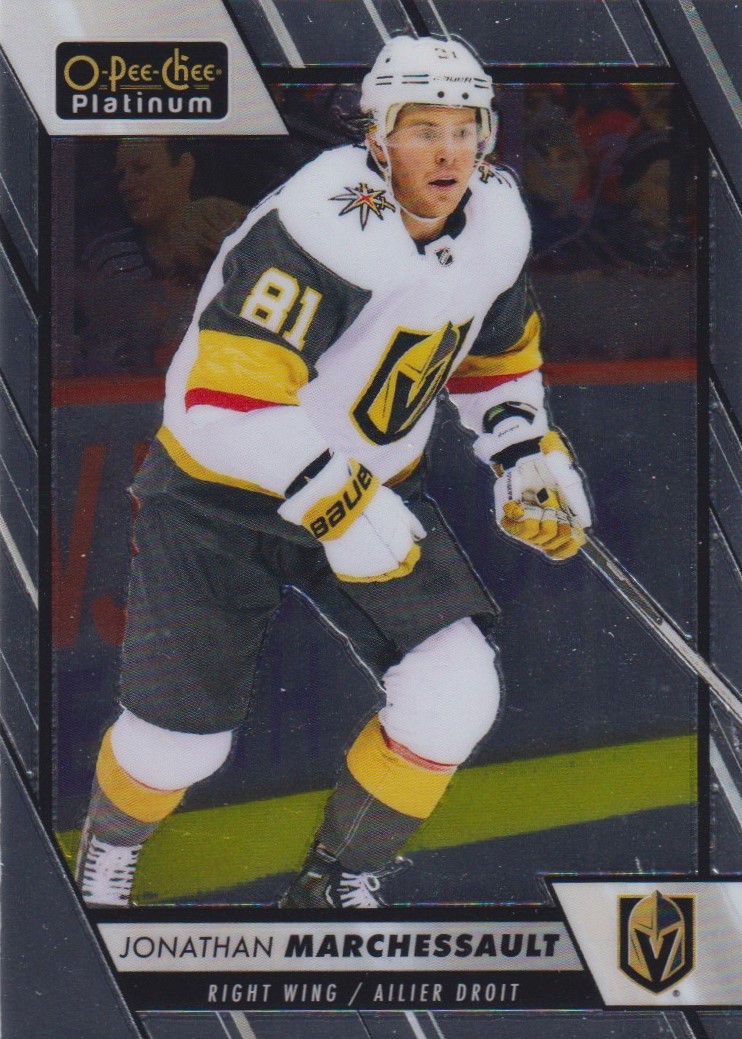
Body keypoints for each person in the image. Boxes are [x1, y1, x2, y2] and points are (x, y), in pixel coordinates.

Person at [75, 35, 592, 910]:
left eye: (465, 129)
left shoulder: (496, 216)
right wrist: (339, 500)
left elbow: (495, 351)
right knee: (177, 744)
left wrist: (522, 450)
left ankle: (335, 880)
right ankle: (108, 853)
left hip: (371, 487)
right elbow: (223, 401)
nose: (449, 152)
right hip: (220, 499)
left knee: (456, 690)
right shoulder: (320, 223)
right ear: (377, 137)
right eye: (423, 129)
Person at [75, 138, 245, 374]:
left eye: (142, 168)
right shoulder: (107, 255)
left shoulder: (225, 230)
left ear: (185, 166)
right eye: (121, 175)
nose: (126, 184)